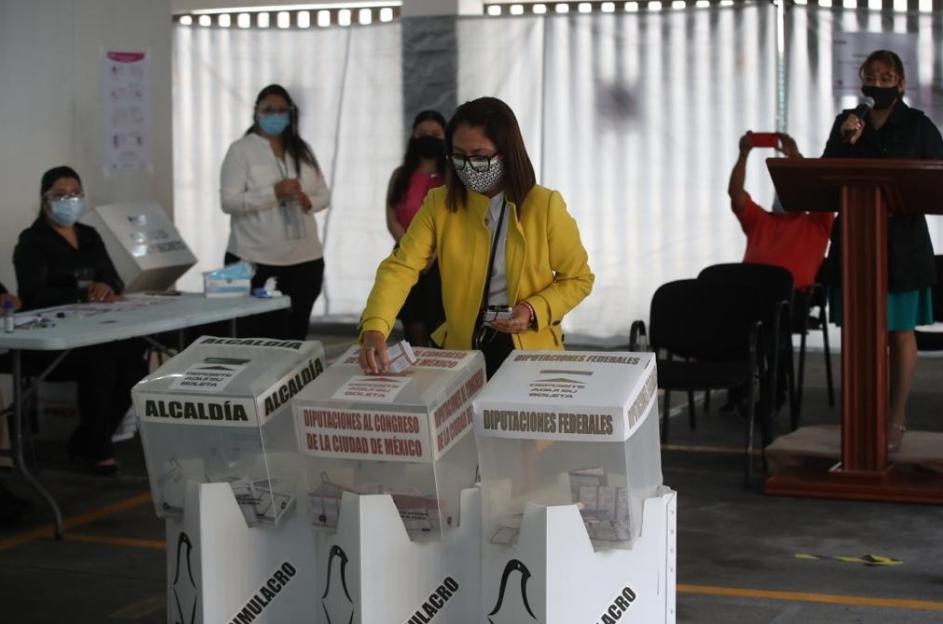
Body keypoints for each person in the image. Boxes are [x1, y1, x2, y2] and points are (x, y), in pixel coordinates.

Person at [358, 97, 595, 378]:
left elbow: (578, 279)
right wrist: (375, 326)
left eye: (480, 156)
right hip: (462, 350)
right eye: (458, 156)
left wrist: (532, 309)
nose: (468, 166)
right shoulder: (440, 203)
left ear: (506, 152)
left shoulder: (544, 205)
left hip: (529, 351)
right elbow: (401, 267)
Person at [822, 49, 940, 451]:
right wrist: (845, 141)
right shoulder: (847, 123)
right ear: (862, 81)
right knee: (860, 331)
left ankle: (896, 415)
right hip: (855, 240)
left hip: (902, 243)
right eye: (872, 76)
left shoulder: (918, 125)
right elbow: (825, 176)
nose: (879, 82)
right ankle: (861, 417)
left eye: (887, 77)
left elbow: (937, 177)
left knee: (900, 331)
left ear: (902, 84)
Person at [13, 166, 147, 475]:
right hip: (54, 339)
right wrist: (81, 293)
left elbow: (113, 279)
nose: (69, 200)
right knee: (103, 363)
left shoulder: (89, 235)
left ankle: (88, 439)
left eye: (75, 193)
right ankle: (96, 448)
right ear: (45, 200)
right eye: (60, 195)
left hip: (95, 328)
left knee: (134, 361)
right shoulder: (32, 242)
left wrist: (106, 288)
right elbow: (31, 295)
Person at [220, 84, 330, 340]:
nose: (275, 115)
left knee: (296, 333)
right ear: (256, 112)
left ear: (291, 114)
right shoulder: (241, 151)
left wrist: (308, 201)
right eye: (269, 110)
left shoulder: (302, 150)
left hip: (305, 259)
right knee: (261, 336)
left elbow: (324, 194)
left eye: (282, 110)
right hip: (255, 259)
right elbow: (229, 202)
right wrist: (273, 193)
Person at [728, 131, 835, 290]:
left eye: (789, 185)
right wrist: (743, 155)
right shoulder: (759, 220)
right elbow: (735, 193)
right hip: (748, 298)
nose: (782, 191)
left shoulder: (816, 223)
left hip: (791, 304)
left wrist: (795, 157)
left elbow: (819, 189)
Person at [384, 110, 448, 347]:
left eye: (435, 134)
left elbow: (456, 220)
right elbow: (392, 218)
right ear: (413, 136)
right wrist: (411, 249)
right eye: (422, 133)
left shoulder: (451, 176)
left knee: (442, 324)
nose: (428, 137)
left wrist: (433, 254)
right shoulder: (400, 175)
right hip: (405, 255)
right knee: (413, 321)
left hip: (443, 260)